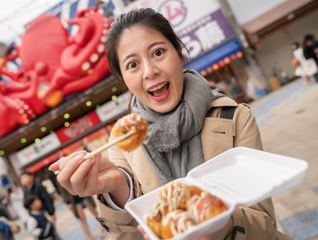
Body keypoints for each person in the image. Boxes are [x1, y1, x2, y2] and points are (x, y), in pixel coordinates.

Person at [49, 8, 292, 240]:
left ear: (178, 51)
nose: (149, 71)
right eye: (133, 65)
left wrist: (210, 221)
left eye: (157, 53)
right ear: (123, 78)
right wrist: (117, 190)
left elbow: (264, 227)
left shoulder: (235, 118)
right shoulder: (121, 145)